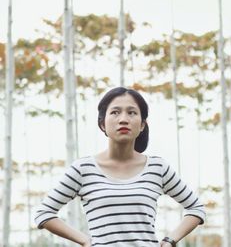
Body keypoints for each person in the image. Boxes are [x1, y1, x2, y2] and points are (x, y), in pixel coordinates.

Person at [34, 86, 206, 247]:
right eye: (115, 112)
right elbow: (44, 213)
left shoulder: (157, 168)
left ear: (142, 125)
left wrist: (170, 240)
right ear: (102, 124)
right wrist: (85, 241)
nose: (123, 119)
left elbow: (196, 208)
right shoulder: (83, 169)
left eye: (132, 113)